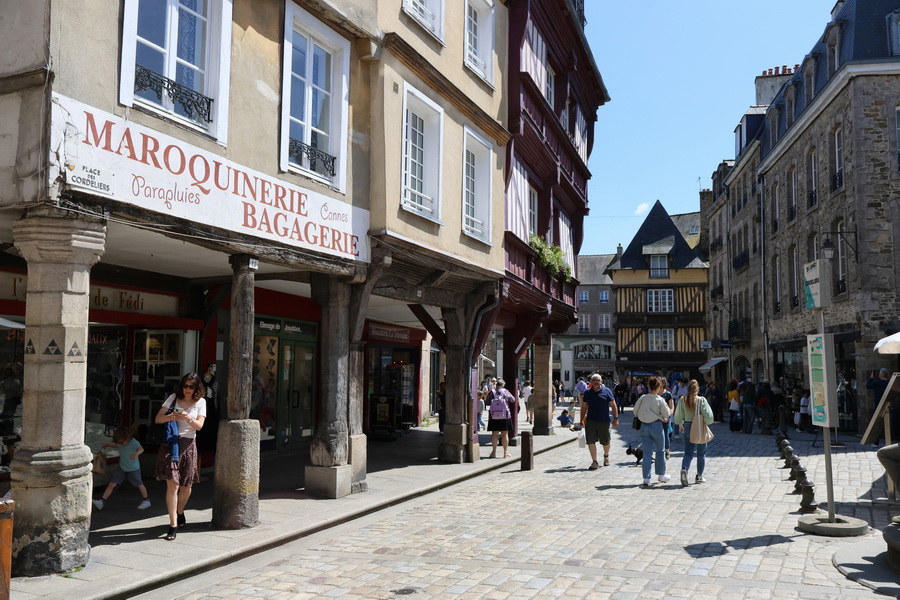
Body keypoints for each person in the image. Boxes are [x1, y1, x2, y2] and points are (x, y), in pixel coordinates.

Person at [155, 372, 206, 541]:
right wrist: (171, 416)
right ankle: (173, 524)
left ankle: (180, 511)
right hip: (172, 444)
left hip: (189, 445)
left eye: (191, 387)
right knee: (173, 486)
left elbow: (199, 426)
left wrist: (187, 417)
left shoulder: (201, 402)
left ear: (197, 388)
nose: (187, 389)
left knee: (186, 488)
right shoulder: (173, 398)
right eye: (185, 385)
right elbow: (158, 419)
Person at [92, 426, 151, 510]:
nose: (122, 444)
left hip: (133, 469)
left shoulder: (134, 442)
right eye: (120, 442)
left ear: (128, 437)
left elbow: (141, 449)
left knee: (139, 484)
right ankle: (102, 502)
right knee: (112, 484)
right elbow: (115, 445)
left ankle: (146, 500)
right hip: (122, 468)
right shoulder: (120, 443)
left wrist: (136, 454)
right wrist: (107, 444)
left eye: (123, 442)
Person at [674, 380, 714, 486]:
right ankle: (699, 476)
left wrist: (680, 424)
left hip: (687, 426)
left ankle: (684, 469)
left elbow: (677, 417)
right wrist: (706, 422)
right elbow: (709, 417)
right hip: (699, 426)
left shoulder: (683, 399)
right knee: (701, 453)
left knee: (688, 453)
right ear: (698, 389)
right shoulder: (701, 400)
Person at [633, 376, 672, 486]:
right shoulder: (660, 400)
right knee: (660, 450)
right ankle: (661, 474)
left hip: (644, 427)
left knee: (647, 452)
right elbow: (667, 414)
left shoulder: (643, 398)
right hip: (656, 426)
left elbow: (635, 411)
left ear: (649, 386)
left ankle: (646, 478)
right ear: (659, 387)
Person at [579, 374, 619, 469]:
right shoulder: (587, 392)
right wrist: (581, 420)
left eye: (597, 380)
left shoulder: (607, 391)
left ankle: (606, 455)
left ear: (601, 381)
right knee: (591, 441)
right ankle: (594, 461)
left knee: (605, 442)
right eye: (594, 380)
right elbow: (584, 406)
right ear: (591, 382)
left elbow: (613, 405)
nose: (596, 382)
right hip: (591, 421)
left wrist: (616, 418)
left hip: (604, 421)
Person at [487, 379, 516, 458]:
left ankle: (494, 452)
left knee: (494, 434)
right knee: (504, 434)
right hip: (505, 415)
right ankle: (505, 453)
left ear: (496, 385)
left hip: (493, 416)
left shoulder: (492, 392)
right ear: (503, 385)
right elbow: (513, 400)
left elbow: (487, 402)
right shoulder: (506, 391)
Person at [867, 368, 890, 446]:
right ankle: (888, 441)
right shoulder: (889, 383)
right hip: (887, 404)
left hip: (878, 405)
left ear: (882, 374)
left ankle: (876, 442)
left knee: (876, 423)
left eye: (880, 373)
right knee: (887, 423)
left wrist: (871, 378)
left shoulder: (878, 383)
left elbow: (868, 386)